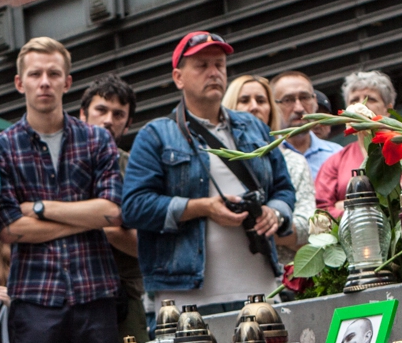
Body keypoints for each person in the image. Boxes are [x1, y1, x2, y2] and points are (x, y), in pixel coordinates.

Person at [0, 37, 122, 343]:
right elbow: (9, 228)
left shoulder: (97, 138)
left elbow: (111, 211)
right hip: (35, 295)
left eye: (52, 74)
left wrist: (42, 208)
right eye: (34, 74)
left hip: (94, 289)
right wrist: (79, 215)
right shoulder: (2, 146)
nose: (44, 82)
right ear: (19, 82)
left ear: (67, 81)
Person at [123, 32, 295, 317]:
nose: (214, 73)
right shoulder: (156, 135)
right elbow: (133, 208)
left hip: (261, 290)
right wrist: (202, 208)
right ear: (178, 77)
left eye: (219, 65)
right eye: (202, 66)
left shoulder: (254, 127)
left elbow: (284, 189)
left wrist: (274, 213)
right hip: (186, 301)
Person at [79, 74, 149, 343]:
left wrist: (79, 218)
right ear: (82, 114)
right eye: (101, 110)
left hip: (124, 293)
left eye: (118, 114)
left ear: (128, 123)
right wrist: (102, 219)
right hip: (64, 291)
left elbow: (144, 245)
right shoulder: (58, 161)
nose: (108, 119)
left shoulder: (137, 168)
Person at [223, 74, 315, 266]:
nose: (254, 106)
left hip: (286, 276)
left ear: (271, 109)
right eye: (244, 100)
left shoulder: (294, 162)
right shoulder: (220, 160)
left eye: (261, 100)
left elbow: (309, 227)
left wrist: (272, 219)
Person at [315, 70, 397, 218]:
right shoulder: (336, 162)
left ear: (388, 110)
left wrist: (348, 205)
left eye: (370, 99)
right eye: (354, 101)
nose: (361, 105)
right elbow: (322, 210)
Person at [271, 71, 342, 181]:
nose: (299, 108)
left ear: (315, 102)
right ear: (273, 105)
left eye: (304, 98)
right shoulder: (268, 157)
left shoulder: (337, 155)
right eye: (288, 100)